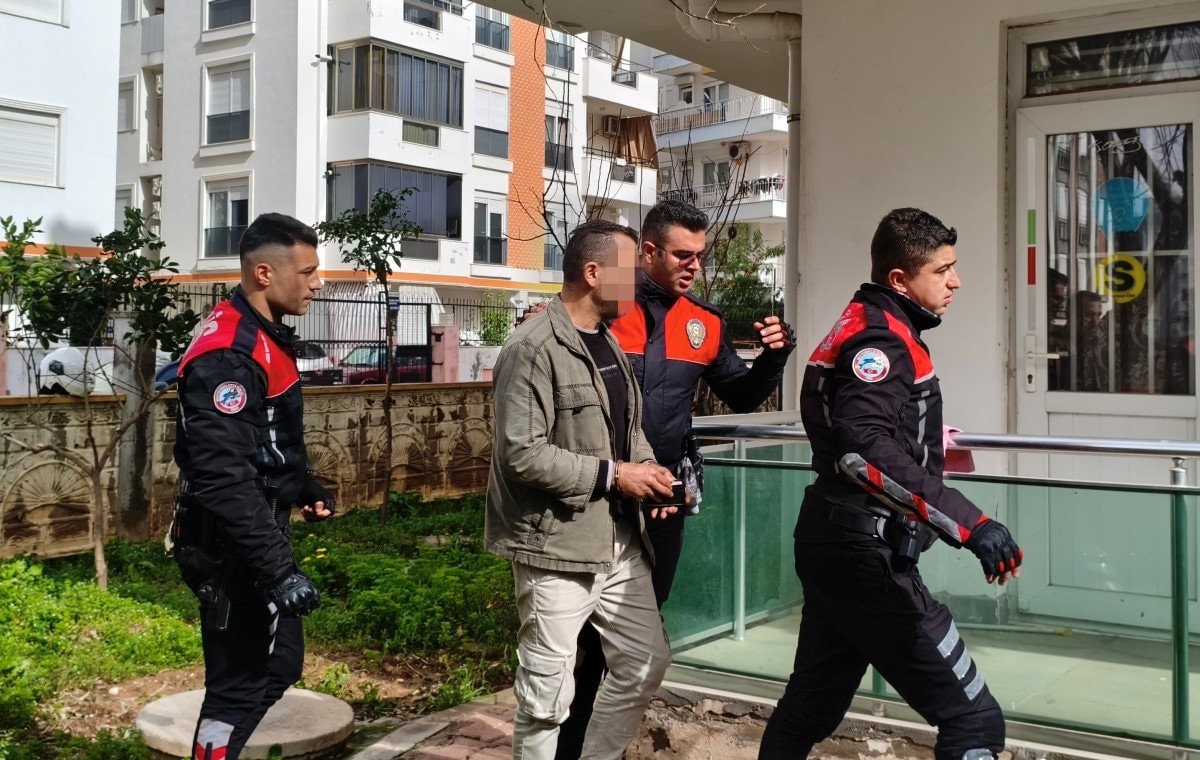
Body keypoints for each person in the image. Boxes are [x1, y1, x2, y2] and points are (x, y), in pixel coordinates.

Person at [758, 208, 1024, 760]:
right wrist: (973, 525)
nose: (956, 282)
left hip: (836, 541)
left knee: (810, 708)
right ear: (900, 279)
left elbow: (864, 428)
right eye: (942, 270)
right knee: (973, 720)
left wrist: (923, 440)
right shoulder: (881, 340)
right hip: (864, 553)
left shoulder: (866, 322)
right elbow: (861, 449)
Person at [555, 199, 796, 759]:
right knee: (580, 640)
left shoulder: (704, 322)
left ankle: (598, 747)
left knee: (637, 634)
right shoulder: (603, 310)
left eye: (700, 255)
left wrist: (774, 357)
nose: (694, 265)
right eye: (683, 255)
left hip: (661, 504)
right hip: (595, 499)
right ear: (648, 252)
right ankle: (566, 745)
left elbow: (741, 395)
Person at [486, 220, 679, 760]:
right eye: (630, 270)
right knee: (546, 699)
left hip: (620, 543)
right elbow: (520, 453)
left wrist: (649, 473)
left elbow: (628, 431)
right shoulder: (532, 347)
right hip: (556, 547)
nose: (640, 281)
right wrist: (616, 475)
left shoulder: (608, 342)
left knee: (644, 662)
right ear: (593, 273)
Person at [170, 213, 334, 760]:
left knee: (280, 664)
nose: (317, 283)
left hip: (255, 533)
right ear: (265, 273)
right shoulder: (230, 354)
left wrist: (302, 484)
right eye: (307, 272)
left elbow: (262, 440)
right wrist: (279, 571)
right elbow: (223, 478)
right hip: (230, 545)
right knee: (235, 690)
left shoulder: (262, 335)